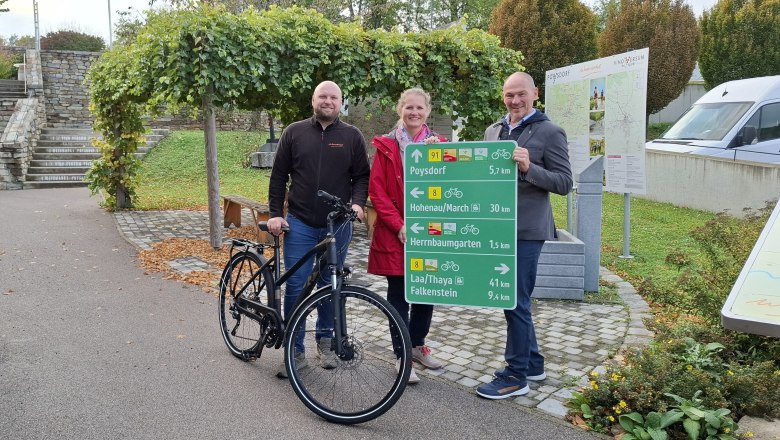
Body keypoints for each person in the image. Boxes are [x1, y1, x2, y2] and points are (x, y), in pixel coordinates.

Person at [476, 72, 573, 399]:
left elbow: (563, 183)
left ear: (535, 93)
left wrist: (529, 168)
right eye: (509, 95)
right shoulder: (494, 131)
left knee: (514, 300)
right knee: (513, 299)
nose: (515, 101)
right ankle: (533, 363)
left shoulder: (550, 132)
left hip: (527, 231)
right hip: (496, 228)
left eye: (521, 94)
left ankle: (515, 375)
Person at [267, 80, 371, 378]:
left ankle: (325, 343)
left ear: (341, 102)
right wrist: (276, 214)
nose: (328, 101)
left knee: (330, 286)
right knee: (297, 286)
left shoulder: (352, 136)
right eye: (322, 96)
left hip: (338, 225)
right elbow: (278, 177)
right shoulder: (294, 132)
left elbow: (361, 176)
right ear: (313, 100)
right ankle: (294, 349)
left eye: (333, 97)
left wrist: (358, 204)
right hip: (299, 223)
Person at [368, 88, 447, 384]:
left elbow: (451, 188)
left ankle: (416, 346)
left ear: (427, 111)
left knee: (427, 293)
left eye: (420, 108)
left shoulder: (438, 145)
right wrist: (399, 225)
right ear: (400, 109)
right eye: (409, 107)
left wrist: (436, 159)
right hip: (395, 234)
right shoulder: (387, 145)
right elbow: (378, 192)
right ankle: (402, 356)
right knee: (399, 296)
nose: (414, 112)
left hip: (429, 234)